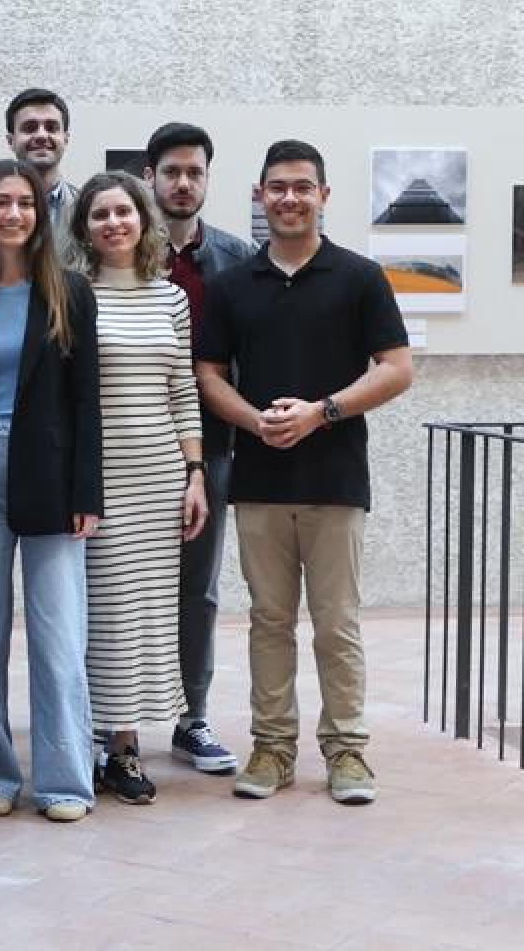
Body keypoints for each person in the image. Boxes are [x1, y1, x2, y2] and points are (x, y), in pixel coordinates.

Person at [196, 139, 412, 805]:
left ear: (323, 195)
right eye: (278, 188)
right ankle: (272, 749)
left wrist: (323, 413)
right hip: (259, 482)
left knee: (337, 623)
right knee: (268, 621)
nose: (290, 198)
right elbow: (208, 374)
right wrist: (254, 420)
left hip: (336, 479)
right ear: (259, 196)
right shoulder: (231, 286)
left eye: (302, 187)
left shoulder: (360, 278)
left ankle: (347, 752)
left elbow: (397, 369)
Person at [0, 159, 103, 823]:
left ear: (41, 216)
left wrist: (88, 491)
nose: (12, 213)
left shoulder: (70, 292)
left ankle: (65, 780)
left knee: (58, 636)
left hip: (51, 474)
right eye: (0, 202)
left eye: (24, 203)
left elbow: (87, 399)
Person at [68, 172, 209, 805]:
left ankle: (123, 747)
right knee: (104, 613)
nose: (113, 223)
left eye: (123, 212)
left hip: (158, 477)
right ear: (84, 228)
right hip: (98, 478)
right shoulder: (72, 294)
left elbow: (183, 392)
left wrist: (196, 473)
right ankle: (92, 740)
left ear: (143, 220)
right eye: (100, 214)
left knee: (146, 613)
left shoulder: (170, 298)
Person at [144, 122, 256, 774]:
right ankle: (107, 722)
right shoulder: (119, 249)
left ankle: (193, 718)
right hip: (127, 446)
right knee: (115, 586)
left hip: (209, 448)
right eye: (172, 172)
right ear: (150, 178)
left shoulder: (238, 259)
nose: (183, 183)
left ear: (208, 179)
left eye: (194, 172)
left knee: (198, 590)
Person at [4, 89, 78, 262]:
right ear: (11, 141)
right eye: (30, 128)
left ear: (65, 139)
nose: (41, 135)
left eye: (51, 127)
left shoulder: (87, 209)